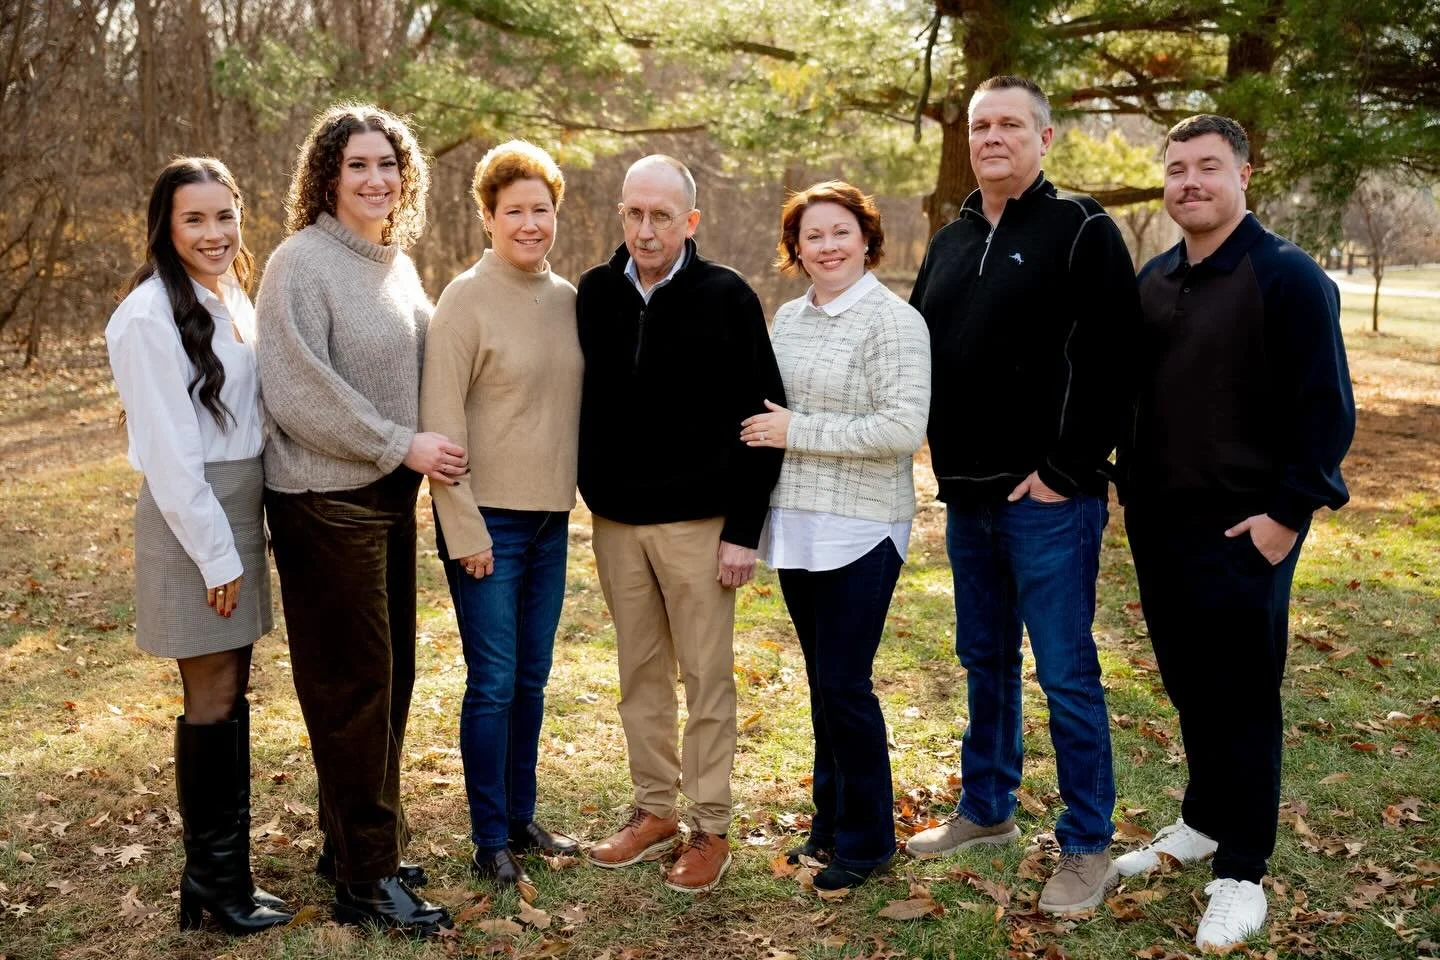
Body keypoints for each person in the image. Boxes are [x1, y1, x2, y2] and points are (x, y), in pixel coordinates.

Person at [1115, 114, 1354, 951]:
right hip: (1160, 527)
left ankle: (1242, 872)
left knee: (1243, 699)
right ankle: (1205, 821)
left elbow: (1326, 413)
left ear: (1245, 175)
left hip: (1246, 531)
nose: (1189, 183)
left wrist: (1287, 517)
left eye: (1208, 167)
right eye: (1177, 169)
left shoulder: (1288, 277)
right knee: (1189, 686)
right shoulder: (1154, 278)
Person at [905, 75, 1141, 915]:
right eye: (980, 125)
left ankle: (1086, 844)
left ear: (1046, 139)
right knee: (985, 661)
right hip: (966, 498)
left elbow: (1118, 357)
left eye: (1010, 124)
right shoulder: (949, 240)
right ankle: (988, 809)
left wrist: (1070, 468)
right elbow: (917, 354)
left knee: (1067, 672)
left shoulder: (1082, 229)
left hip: (1048, 501)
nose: (992, 136)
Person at [256, 104, 457, 936]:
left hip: (384, 499)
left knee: (391, 679)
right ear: (327, 176)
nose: (376, 179)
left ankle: (356, 848)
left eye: (388, 164)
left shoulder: (393, 263)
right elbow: (298, 392)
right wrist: (396, 442)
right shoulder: (298, 264)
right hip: (323, 503)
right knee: (352, 691)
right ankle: (366, 888)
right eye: (358, 166)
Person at [577, 155, 785, 893]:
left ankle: (711, 828)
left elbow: (763, 419)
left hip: (700, 524)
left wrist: (744, 529)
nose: (644, 229)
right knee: (639, 676)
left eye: (661, 216)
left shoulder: (726, 296)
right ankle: (653, 811)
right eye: (633, 213)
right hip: (616, 523)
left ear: (690, 222)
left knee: (706, 678)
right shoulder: (596, 293)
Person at [106, 157, 292, 935]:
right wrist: (218, 556)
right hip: (198, 518)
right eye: (195, 220)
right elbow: (171, 455)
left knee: (232, 692)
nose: (214, 233)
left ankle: (218, 879)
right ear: (166, 226)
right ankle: (217, 886)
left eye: (225, 216)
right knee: (210, 698)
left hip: (240, 503)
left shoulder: (229, 297)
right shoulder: (147, 316)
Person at [741, 181, 930, 891]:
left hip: (863, 527)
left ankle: (870, 838)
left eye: (839, 232)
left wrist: (800, 432)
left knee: (847, 685)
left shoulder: (894, 322)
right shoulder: (787, 319)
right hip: (798, 525)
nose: (827, 245)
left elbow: (901, 429)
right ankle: (829, 821)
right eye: (812, 235)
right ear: (796, 248)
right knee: (824, 685)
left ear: (867, 239)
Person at [419, 140, 583, 887]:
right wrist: (465, 528)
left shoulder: (571, 301)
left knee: (533, 678)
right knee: (492, 680)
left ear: (556, 213)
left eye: (540, 209)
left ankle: (521, 818)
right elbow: (441, 425)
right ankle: (489, 839)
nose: (528, 223)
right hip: (488, 521)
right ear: (487, 215)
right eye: (513, 210)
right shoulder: (464, 299)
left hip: (552, 522)